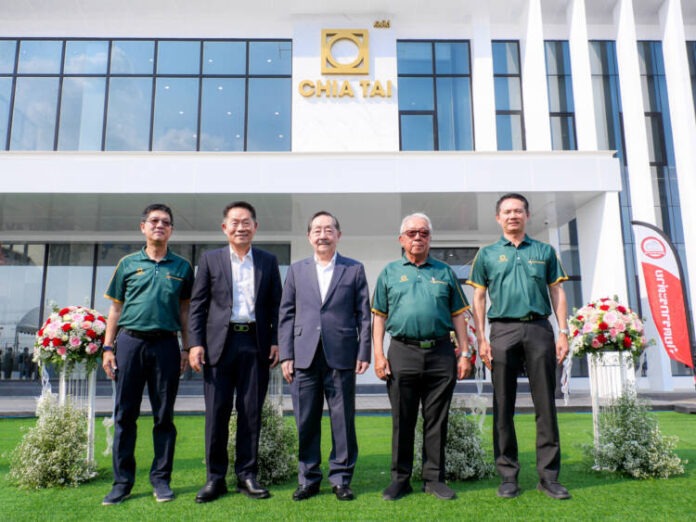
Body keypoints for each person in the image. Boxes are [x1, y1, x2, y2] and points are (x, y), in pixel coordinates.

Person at [466, 193, 571, 500]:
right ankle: (508, 476)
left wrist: (563, 332)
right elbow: (478, 298)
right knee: (503, 405)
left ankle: (548, 477)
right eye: (507, 211)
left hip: (539, 329)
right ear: (498, 218)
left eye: (518, 211)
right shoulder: (486, 254)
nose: (513, 216)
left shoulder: (544, 251)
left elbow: (557, 292)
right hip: (502, 331)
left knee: (545, 405)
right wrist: (481, 338)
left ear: (527, 215)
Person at [372, 212, 473, 501]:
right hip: (402, 351)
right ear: (401, 239)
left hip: (441, 353)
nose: (418, 237)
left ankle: (434, 479)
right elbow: (379, 317)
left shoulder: (444, 272)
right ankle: (400, 480)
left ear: (430, 238)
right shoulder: (390, 272)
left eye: (424, 233)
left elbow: (458, 315)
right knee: (402, 419)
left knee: (436, 419)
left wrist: (465, 353)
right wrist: (378, 355)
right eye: (412, 233)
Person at [188, 201, 282, 503]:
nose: (240, 227)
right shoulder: (210, 259)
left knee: (250, 412)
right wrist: (195, 343)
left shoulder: (268, 261)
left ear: (255, 227)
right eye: (235, 222)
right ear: (224, 227)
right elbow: (198, 305)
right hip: (219, 344)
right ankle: (215, 479)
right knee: (216, 413)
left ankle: (247, 476)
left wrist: (276, 340)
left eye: (246, 222)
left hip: (255, 343)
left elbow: (277, 306)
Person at [101, 204, 194, 505]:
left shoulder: (182, 267)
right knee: (124, 415)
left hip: (166, 346)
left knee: (164, 416)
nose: (159, 225)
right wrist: (107, 347)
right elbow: (115, 309)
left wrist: (186, 347)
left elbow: (185, 311)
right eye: (154, 221)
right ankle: (122, 483)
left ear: (171, 230)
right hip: (130, 343)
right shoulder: (127, 263)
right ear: (143, 227)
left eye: (165, 222)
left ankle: (161, 480)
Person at [279, 211, 371, 502]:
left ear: (338, 235)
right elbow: (286, 314)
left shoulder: (353, 269)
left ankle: (341, 478)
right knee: (305, 420)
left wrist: (364, 351)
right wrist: (286, 355)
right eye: (317, 230)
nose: (323, 235)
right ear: (309, 236)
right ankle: (308, 479)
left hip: (341, 354)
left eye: (328, 229)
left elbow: (364, 315)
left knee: (342, 420)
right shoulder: (297, 270)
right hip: (303, 356)